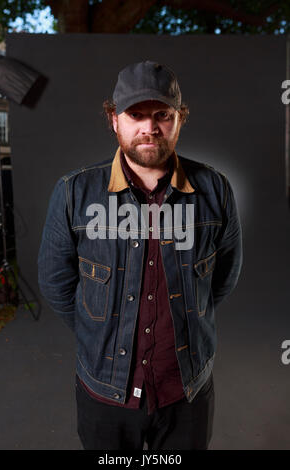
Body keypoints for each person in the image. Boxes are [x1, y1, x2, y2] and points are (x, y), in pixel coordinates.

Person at [38, 60, 243, 450]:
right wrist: (99, 332)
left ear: (179, 119)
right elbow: (56, 283)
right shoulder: (73, 193)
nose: (149, 128)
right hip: (105, 392)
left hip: (186, 393)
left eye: (162, 115)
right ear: (114, 119)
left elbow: (224, 276)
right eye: (136, 114)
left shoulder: (216, 191)